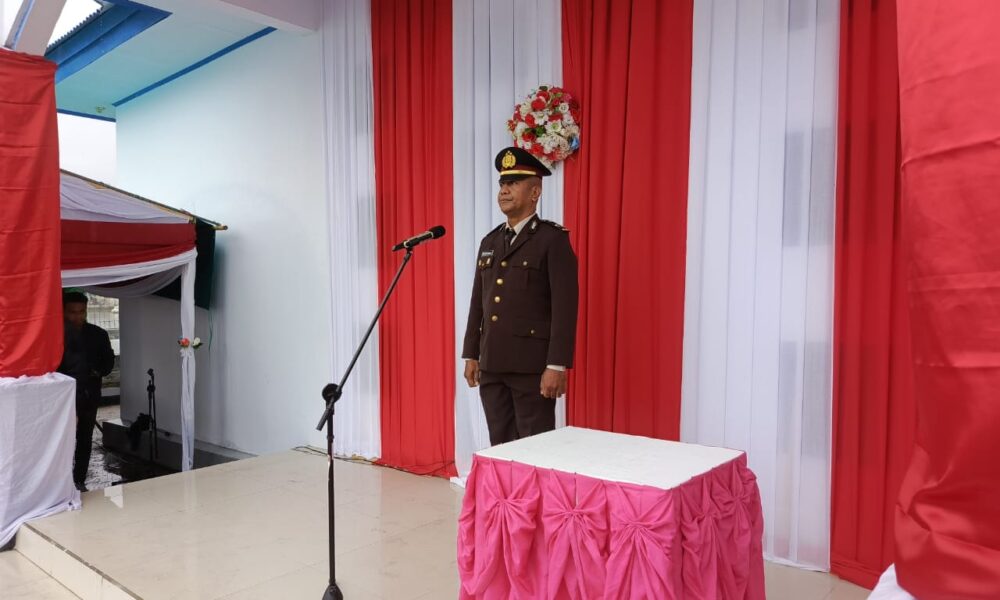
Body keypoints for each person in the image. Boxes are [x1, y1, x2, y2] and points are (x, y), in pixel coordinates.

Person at [461, 146, 579, 446]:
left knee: (535, 447)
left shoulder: (552, 240)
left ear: (535, 192)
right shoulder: (490, 242)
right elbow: (478, 302)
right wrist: (471, 354)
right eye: (502, 184)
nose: (504, 190)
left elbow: (565, 308)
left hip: (532, 367)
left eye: (513, 183)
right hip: (492, 364)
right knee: (500, 444)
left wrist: (556, 365)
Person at [58, 291, 114, 491]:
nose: (77, 317)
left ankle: (79, 480)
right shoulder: (56, 334)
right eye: (72, 312)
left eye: (81, 312)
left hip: (89, 395)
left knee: (84, 438)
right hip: (62, 397)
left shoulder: (98, 334)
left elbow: (108, 363)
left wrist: (95, 371)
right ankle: (60, 482)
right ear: (63, 311)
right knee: (61, 440)